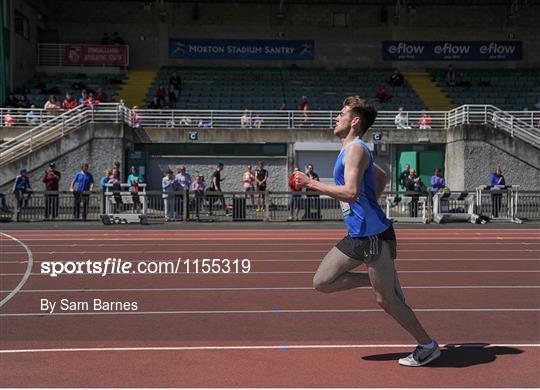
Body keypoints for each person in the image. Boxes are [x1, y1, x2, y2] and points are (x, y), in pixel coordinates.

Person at [293, 96, 439, 367]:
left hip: (372, 234)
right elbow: (381, 178)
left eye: (342, 113)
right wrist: (367, 203)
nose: (336, 117)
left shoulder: (356, 150)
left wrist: (311, 183)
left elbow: (349, 192)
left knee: (387, 301)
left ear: (355, 121)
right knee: (322, 281)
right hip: (359, 233)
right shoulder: (351, 150)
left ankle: (427, 345)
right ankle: (381, 280)